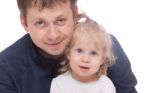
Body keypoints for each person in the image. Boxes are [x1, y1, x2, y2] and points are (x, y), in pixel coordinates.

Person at [0, 0, 137, 93]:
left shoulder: (104, 46)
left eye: (60, 20)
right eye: (40, 23)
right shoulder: (6, 67)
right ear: (24, 23)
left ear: (74, 13)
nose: (53, 35)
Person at [50, 14, 116, 93]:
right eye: (79, 51)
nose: (85, 59)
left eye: (93, 53)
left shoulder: (106, 86)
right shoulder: (59, 84)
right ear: (68, 53)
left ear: (102, 59)